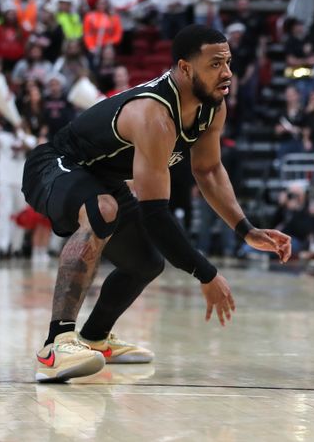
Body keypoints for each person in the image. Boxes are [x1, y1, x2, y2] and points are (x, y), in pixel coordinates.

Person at [22, 25, 292, 383]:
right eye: (215, 64)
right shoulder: (154, 115)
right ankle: (56, 345)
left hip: (102, 179)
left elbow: (208, 170)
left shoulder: (212, 106)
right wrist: (206, 274)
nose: (227, 73)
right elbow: (155, 215)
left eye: (228, 62)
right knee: (103, 210)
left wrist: (246, 229)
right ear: (184, 68)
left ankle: (95, 338)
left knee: (146, 263)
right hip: (55, 165)